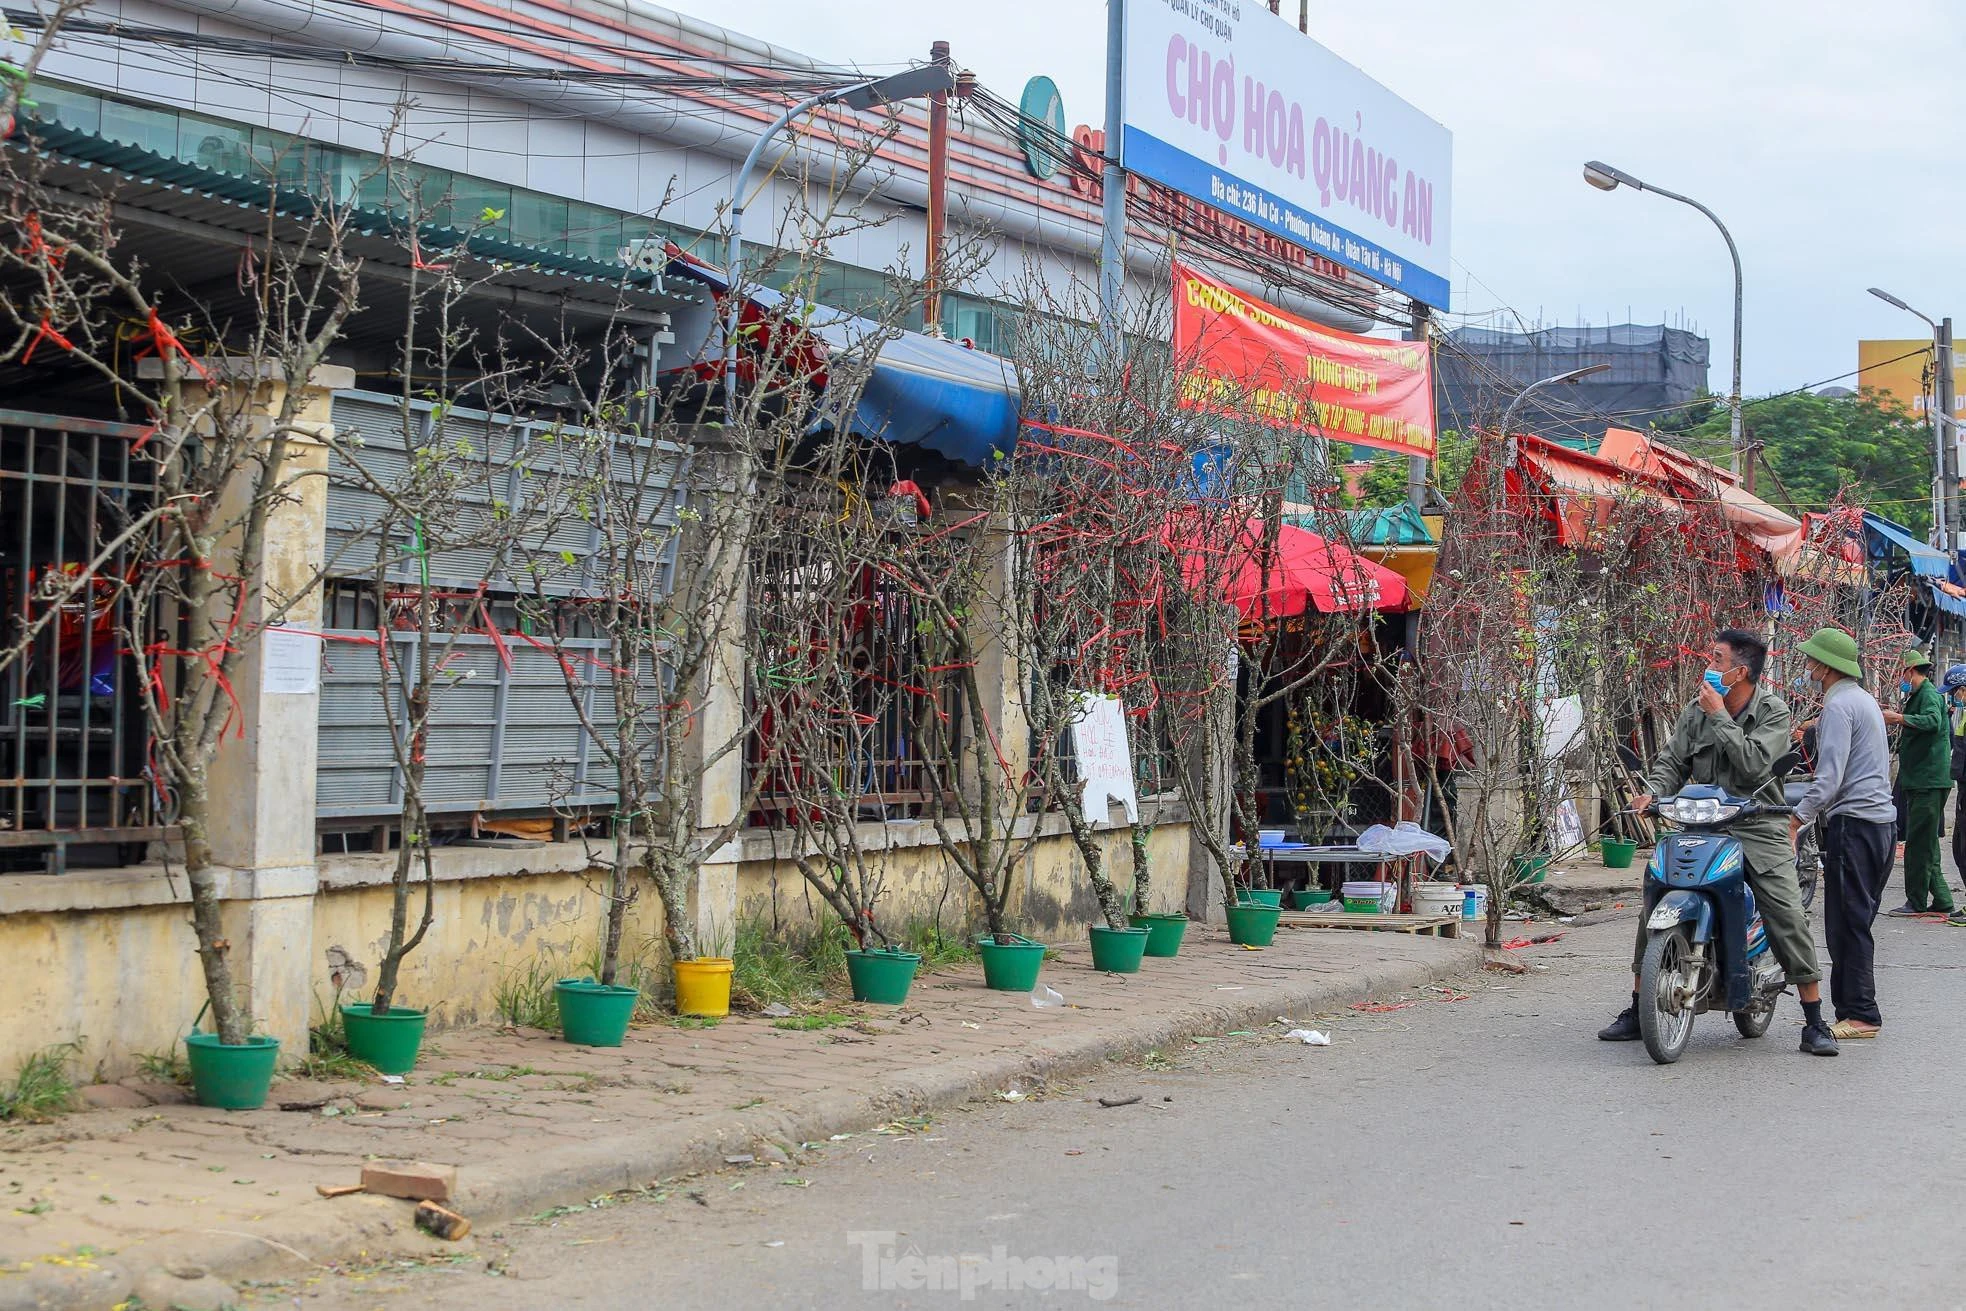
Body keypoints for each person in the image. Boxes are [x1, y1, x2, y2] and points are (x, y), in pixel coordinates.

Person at [1599, 627, 1836, 1056]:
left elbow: (1754, 767)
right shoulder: (1696, 711)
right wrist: (1654, 793)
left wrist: (1721, 719)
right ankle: (1638, 1006)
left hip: (1756, 823)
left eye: (1717, 660)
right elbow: (1673, 760)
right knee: (1655, 896)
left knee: (1785, 913)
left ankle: (1814, 1019)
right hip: (1701, 822)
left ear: (1740, 671)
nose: (1708, 668)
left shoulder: (1773, 712)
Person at [1790, 627, 1897, 1041]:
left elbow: (1829, 778)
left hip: (1855, 825)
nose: (1807, 665)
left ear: (1826, 666)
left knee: (1846, 923)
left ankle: (1860, 1014)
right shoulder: (1863, 699)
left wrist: (1797, 819)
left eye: (1811, 660)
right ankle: (1856, 1009)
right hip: (1880, 825)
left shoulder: (1838, 707)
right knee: (1857, 920)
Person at [1884, 649, 1954, 917]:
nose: (1901, 678)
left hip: (1928, 779)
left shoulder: (1928, 695)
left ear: (1910, 671)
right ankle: (1944, 900)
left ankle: (1916, 902)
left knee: (1917, 845)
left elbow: (1932, 722)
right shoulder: (1922, 695)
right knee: (1927, 844)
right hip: (1923, 779)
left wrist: (1898, 718)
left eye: (1902, 672)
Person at [1945, 663, 1966, 927]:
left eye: (1954, 693)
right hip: (1963, 787)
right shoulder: (1960, 714)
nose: (1952, 698)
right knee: (1959, 848)